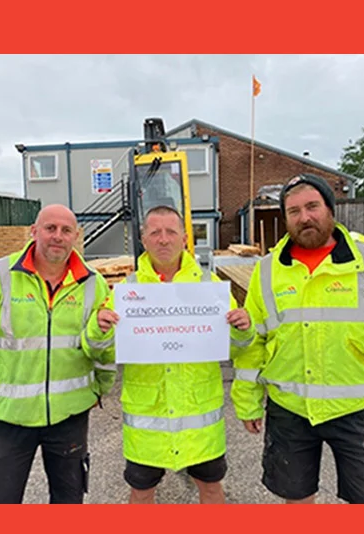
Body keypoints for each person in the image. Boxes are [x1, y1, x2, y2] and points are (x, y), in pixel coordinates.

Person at [232, 174, 364, 504]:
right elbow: (254, 343)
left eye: (312, 206)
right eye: (293, 211)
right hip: (289, 408)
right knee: (297, 498)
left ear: (330, 210)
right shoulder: (267, 271)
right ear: (285, 219)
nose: (304, 217)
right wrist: (247, 401)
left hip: (356, 408)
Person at [87, 206, 252, 504]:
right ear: (144, 240)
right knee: (141, 492)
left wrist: (241, 330)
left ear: (185, 238)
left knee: (212, 489)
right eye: (155, 232)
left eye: (171, 231)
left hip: (199, 420)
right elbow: (100, 351)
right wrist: (99, 331)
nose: (163, 239)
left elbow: (235, 350)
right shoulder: (126, 291)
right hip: (147, 421)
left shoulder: (210, 288)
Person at [0, 205, 114, 504]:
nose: (58, 236)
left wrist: (100, 388)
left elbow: (105, 346)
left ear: (76, 236)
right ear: (34, 231)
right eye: (50, 228)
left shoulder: (94, 284)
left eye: (66, 230)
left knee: (68, 500)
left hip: (70, 415)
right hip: (7, 417)